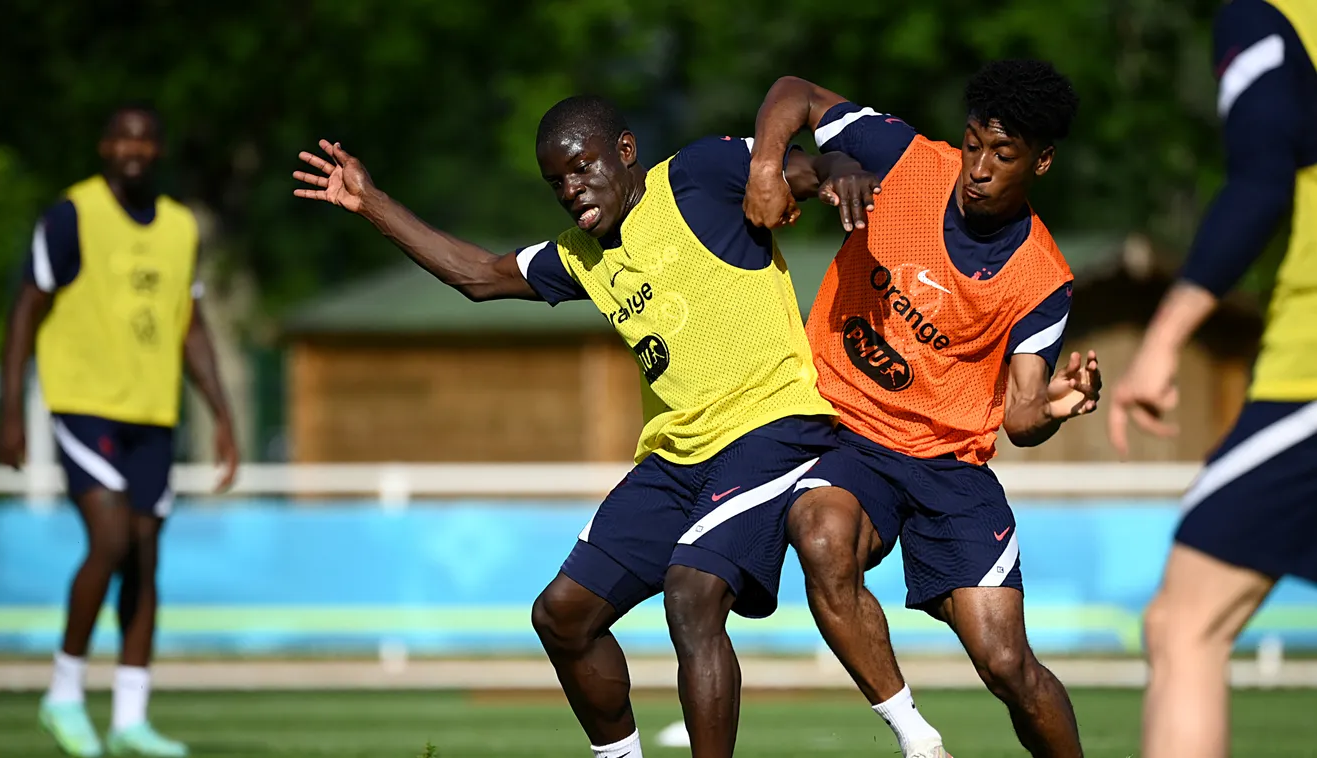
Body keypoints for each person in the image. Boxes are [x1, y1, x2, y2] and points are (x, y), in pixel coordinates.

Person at [293, 96, 946, 758]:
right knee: (562, 616)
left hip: (770, 429)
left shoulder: (696, 176)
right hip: (674, 461)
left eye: (580, 168)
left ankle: (912, 738)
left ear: (625, 152)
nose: (570, 189)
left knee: (692, 596)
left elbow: (804, 168)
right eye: (556, 182)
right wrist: (370, 202)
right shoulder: (579, 255)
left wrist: (839, 169)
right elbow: (479, 276)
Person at [744, 61, 1099, 758]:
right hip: (848, 434)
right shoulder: (904, 159)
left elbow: (1021, 421)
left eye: (1003, 154)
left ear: (1042, 161)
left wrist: (1055, 406)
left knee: (1005, 664)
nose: (979, 167)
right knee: (819, 537)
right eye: (972, 145)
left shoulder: (1040, 279)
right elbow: (795, 93)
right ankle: (916, 737)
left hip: (948, 464)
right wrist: (764, 167)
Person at [1106, 0, 1317, 755]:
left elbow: (1261, 181)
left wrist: (1161, 340)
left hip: (1308, 374)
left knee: (1184, 624)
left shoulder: (1267, 16)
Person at [0, 105, 239, 758]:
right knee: (109, 538)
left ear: (157, 151)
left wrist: (220, 414)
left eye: (146, 139)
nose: (134, 148)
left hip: (153, 412)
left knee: (145, 557)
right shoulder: (71, 215)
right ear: (104, 146)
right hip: (84, 403)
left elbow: (190, 325)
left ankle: (131, 719)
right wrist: (12, 410)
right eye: (122, 137)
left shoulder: (180, 226)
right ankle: (64, 693)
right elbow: (27, 310)